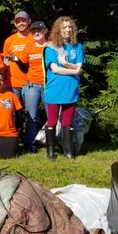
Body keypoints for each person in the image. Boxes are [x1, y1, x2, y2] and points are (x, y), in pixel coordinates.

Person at [43, 16, 85, 159]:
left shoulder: (77, 47)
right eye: (64, 27)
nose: (68, 30)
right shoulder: (51, 47)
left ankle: (68, 151)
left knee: (67, 122)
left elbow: (80, 66)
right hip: (55, 88)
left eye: (69, 27)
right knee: (52, 121)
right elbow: (55, 69)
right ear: (58, 30)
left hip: (71, 88)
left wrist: (66, 64)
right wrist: (74, 71)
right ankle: (50, 151)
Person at [9, 20, 48, 153]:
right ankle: (29, 143)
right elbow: (25, 68)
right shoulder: (29, 47)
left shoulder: (51, 46)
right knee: (32, 116)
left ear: (45, 31)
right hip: (32, 85)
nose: (37, 33)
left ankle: (53, 143)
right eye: (34, 31)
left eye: (39, 30)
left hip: (49, 85)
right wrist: (17, 60)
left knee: (52, 116)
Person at [3, 10, 32, 98]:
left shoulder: (36, 38)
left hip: (31, 83)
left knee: (30, 111)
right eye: (18, 22)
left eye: (23, 21)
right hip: (12, 83)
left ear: (29, 21)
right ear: (15, 24)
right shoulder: (9, 40)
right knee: (12, 111)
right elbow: (5, 62)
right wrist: (4, 79)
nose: (21, 23)